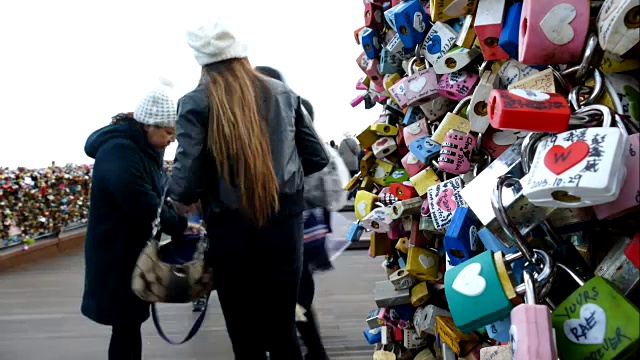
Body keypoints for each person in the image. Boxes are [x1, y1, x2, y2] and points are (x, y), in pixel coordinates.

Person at [168, 20, 329, 360]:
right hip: (284, 222)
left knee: (243, 331)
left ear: (202, 60)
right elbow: (316, 157)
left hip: (229, 229)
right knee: (283, 326)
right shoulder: (281, 93)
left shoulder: (195, 102)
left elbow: (183, 182)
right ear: (241, 54)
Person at [81, 80, 195, 360]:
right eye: (169, 132)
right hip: (116, 253)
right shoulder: (121, 151)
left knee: (129, 324)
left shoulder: (141, 149)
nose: (172, 139)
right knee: (125, 325)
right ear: (149, 125)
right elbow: (141, 202)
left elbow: (154, 196)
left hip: (129, 250)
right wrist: (179, 226)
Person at [256, 66, 332, 360]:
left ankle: (299, 346)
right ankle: (311, 347)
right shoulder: (299, 108)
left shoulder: (273, 121)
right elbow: (317, 160)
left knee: (287, 292)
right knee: (298, 289)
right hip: (304, 219)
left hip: (282, 219)